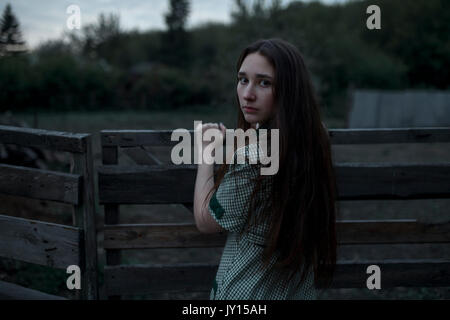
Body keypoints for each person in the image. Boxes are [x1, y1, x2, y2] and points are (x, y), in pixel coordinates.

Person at [193, 38, 338, 300]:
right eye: (242, 80)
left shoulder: (253, 158)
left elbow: (206, 221)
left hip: (246, 293)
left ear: (288, 90)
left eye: (264, 83)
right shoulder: (316, 139)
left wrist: (206, 152)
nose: (247, 94)